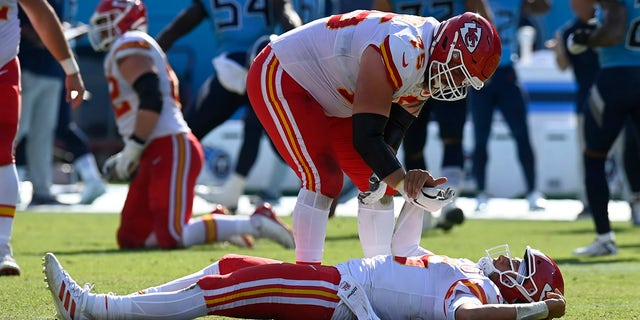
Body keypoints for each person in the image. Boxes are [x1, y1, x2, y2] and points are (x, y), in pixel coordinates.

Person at [247, 10, 502, 264]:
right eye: (458, 73)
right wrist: (408, 188)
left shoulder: (427, 58)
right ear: (447, 47)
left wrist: (397, 183)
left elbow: (389, 140)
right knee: (324, 178)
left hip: (337, 96)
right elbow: (367, 139)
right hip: (286, 73)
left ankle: (380, 275)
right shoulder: (404, 47)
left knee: (380, 184)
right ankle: (307, 275)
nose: (455, 84)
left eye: (464, 81)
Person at [88, 0, 295, 251]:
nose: (101, 29)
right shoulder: (128, 46)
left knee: (172, 236)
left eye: (106, 21)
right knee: (132, 238)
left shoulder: (130, 43)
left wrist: (132, 149)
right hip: (155, 147)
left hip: (170, 146)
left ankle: (255, 223)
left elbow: (151, 96)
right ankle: (219, 223)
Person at [44, 244, 566, 319]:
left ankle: (97, 308)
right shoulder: (476, 276)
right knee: (227, 267)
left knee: (227, 290)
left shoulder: (478, 295)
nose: (506, 264)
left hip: (340, 294)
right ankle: (117, 304)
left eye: (518, 270)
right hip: (339, 278)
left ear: (524, 290)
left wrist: (537, 312)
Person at [155, 0, 302, 212]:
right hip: (262, 64)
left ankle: (172, 185)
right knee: (269, 134)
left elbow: (181, 25)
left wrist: (152, 50)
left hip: (231, 69)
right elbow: (287, 17)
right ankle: (232, 188)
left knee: (190, 131)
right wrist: (303, 46)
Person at [372, 0, 493, 232]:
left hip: (453, 65)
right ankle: (422, 206)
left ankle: (449, 202)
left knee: (452, 137)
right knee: (412, 142)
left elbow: (480, 20)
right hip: (413, 67)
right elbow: (380, 21)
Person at [0, 0, 85, 275]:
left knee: (3, 156)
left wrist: (70, 68)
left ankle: (1, 247)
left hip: (4, 71)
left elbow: (40, 13)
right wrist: (71, 69)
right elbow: (41, 14)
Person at [568, 0, 640, 256]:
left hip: (615, 79)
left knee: (594, 158)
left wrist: (586, 39)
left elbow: (614, 31)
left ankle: (604, 237)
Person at [468, 0, 551, 212]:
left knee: (521, 133)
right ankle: (481, 192)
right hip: (480, 73)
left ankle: (532, 191)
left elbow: (543, 7)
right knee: (480, 137)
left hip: (506, 70)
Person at [15, 0, 73, 206]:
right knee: (14, 130)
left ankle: (42, 190)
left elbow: (56, 24)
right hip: (26, 68)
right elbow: (17, 22)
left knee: (43, 134)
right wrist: (39, 35)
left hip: (52, 70)